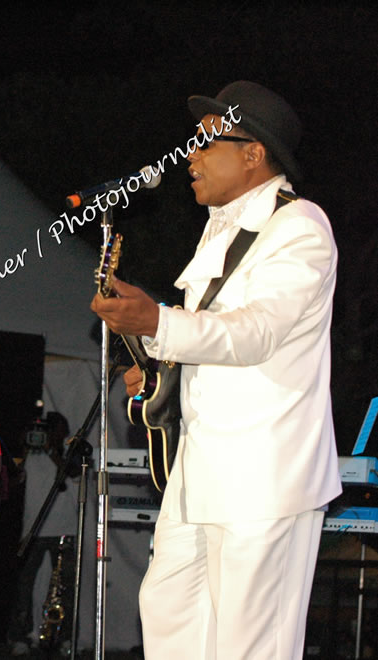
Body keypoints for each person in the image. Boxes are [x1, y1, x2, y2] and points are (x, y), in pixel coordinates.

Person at [91, 81, 341, 659]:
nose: (190, 158)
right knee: (169, 613)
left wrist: (158, 321)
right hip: (201, 466)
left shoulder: (299, 226)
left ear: (254, 153)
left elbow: (257, 333)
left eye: (206, 144)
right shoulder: (222, 227)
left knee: (251, 642)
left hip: (264, 473)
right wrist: (158, 364)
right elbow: (213, 336)